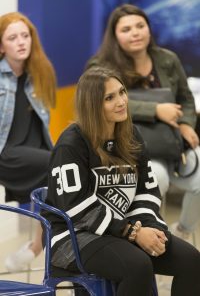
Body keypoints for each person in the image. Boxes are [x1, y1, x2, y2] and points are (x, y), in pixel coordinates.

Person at [43, 66, 200, 296]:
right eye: (110, 98)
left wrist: (148, 227)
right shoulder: (71, 144)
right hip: (72, 236)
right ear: (93, 105)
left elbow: (147, 192)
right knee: (137, 266)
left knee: (191, 260)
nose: (121, 101)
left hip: (120, 230)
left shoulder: (131, 135)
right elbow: (78, 209)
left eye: (122, 92)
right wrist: (133, 233)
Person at [86, 4, 200, 242]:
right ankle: (151, 241)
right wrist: (155, 110)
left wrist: (187, 124)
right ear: (114, 35)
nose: (135, 33)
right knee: (157, 180)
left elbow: (186, 98)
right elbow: (98, 105)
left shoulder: (167, 59)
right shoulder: (100, 67)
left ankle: (183, 231)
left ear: (149, 29)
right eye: (126, 29)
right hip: (130, 149)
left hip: (173, 144)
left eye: (140, 26)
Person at [0, 12, 56, 272]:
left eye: (25, 35)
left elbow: (42, 128)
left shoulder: (40, 74)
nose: (21, 42)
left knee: (64, 173)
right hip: (5, 153)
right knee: (58, 164)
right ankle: (38, 248)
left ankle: (39, 248)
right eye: (12, 37)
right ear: (2, 46)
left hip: (34, 152)